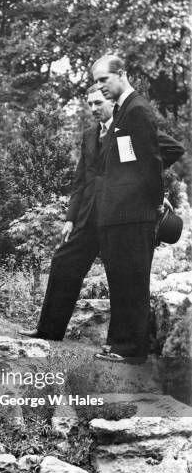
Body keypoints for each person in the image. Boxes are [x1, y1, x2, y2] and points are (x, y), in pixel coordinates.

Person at [20, 66, 184, 364]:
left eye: (99, 101)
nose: (95, 108)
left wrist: (146, 191)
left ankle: (127, 347)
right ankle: (49, 329)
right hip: (89, 215)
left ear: (111, 102)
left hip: (122, 213)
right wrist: (70, 218)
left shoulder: (130, 120)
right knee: (64, 262)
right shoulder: (89, 135)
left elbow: (157, 154)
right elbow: (80, 180)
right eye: (91, 103)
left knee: (125, 276)